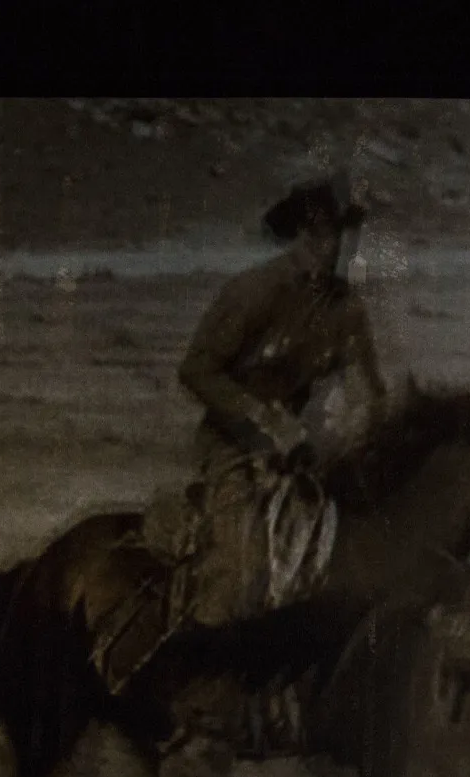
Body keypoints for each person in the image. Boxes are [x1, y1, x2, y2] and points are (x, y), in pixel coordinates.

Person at [177, 172, 388, 632]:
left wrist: (361, 430)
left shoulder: (345, 308)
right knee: (241, 571)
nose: (336, 247)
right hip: (236, 449)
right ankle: (210, 668)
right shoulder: (253, 292)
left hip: (308, 452)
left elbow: (369, 390)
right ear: (303, 234)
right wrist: (264, 419)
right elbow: (196, 371)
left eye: (343, 234)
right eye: (323, 233)